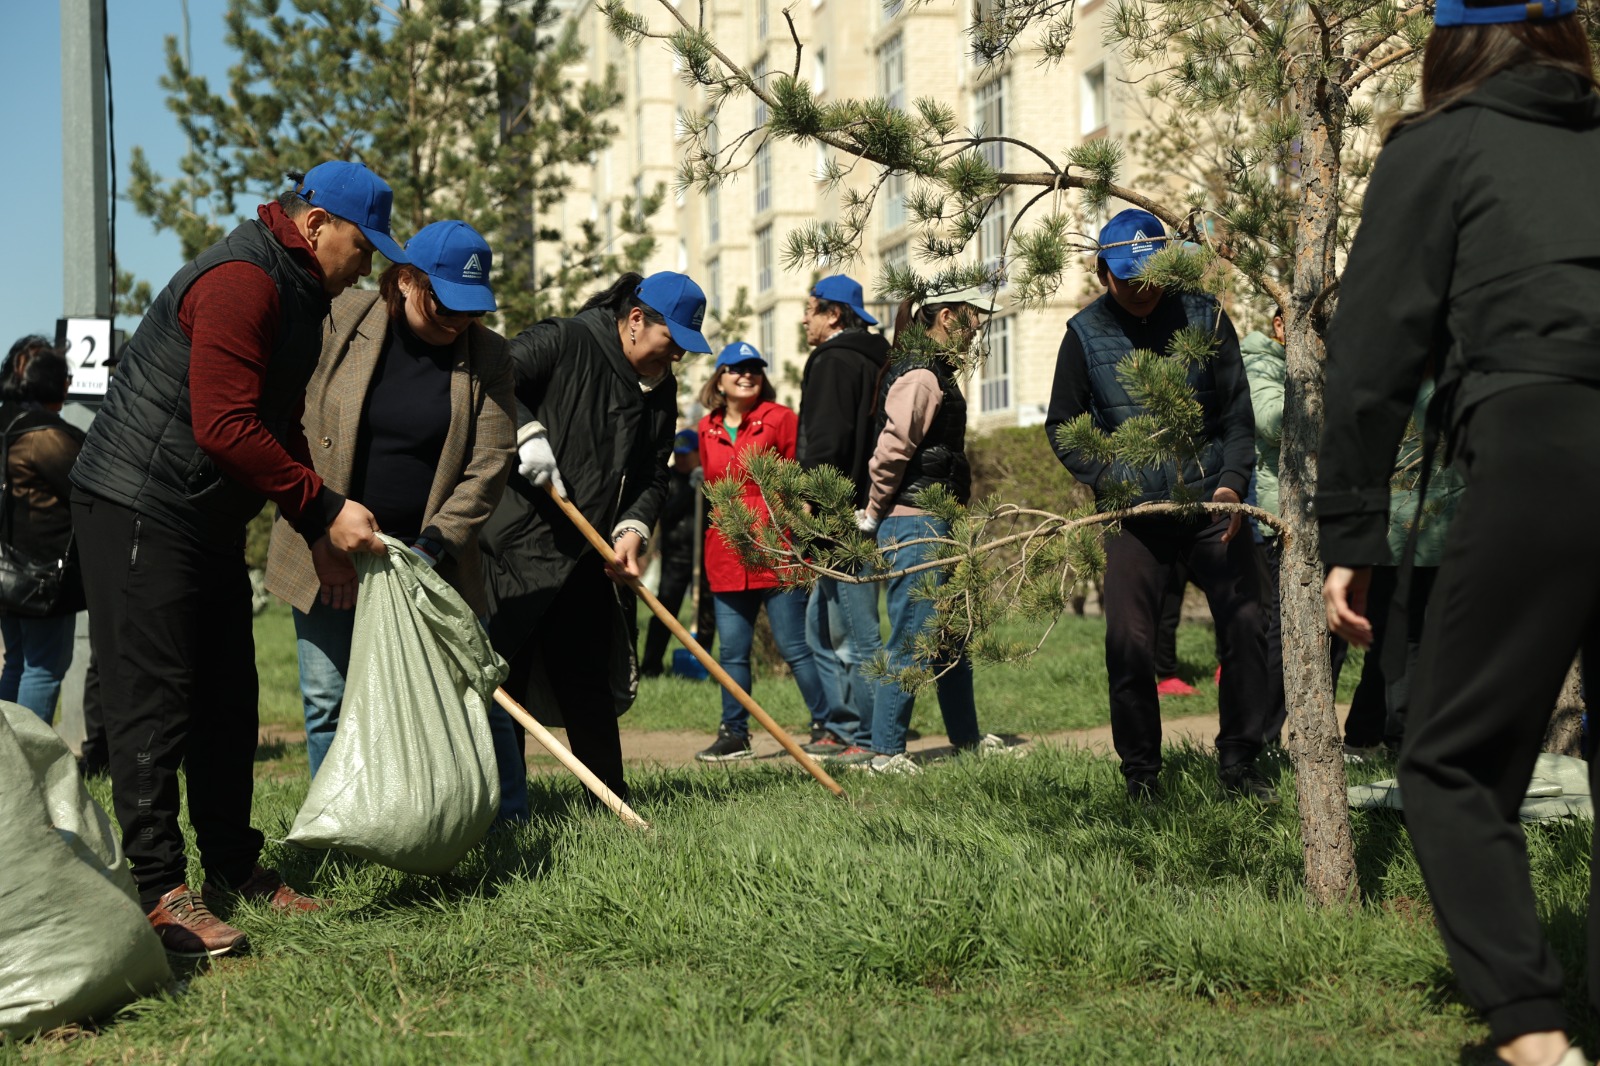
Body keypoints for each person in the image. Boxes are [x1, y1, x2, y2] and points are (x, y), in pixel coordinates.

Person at [1317, 13, 1597, 1064]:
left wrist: (1350, 530)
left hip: (1544, 444)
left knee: (1453, 763)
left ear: (1452, 47)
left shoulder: (1439, 146)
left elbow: (1370, 350)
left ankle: (1533, 1037)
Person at [70, 160, 402, 957]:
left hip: (201, 516)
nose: (371, 264)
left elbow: (276, 424)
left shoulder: (299, 293)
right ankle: (158, 892)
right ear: (317, 223)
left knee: (228, 698)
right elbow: (222, 426)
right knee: (155, 701)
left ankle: (231, 867)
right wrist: (323, 505)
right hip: (138, 503)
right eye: (364, 245)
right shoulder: (242, 281)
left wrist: (315, 519)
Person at [263, 220, 519, 809]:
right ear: (405, 280)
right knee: (330, 698)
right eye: (445, 303)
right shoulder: (338, 320)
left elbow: (490, 461)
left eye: (470, 308)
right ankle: (345, 822)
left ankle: (497, 820)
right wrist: (319, 528)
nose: (458, 321)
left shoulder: (489, 355)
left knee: (471, 689)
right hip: (328, 548)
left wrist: (435, 544)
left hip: (431, 558)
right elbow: (289, 423)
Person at [1045, 208, 1273, 804]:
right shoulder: (1084, 334)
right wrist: (1115, 480)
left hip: (1211, 507)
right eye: (1128, 277)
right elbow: (1063, 426)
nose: (1142, 289)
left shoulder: (1205, 318)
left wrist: (1232, 484)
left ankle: (1242, 763)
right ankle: (1142, 776)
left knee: (1248, 625)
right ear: (1103, 273)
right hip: (1136, 519)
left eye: (1152, 274)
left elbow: (1237, 417)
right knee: (1129, 643)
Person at [481, 271, 708, 803]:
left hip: (585, 553)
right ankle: (504, 808)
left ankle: (607, 798)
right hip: (511, 546)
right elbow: (490, 379)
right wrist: (526, 431)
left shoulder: (658, 387)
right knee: (504, 682)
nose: (674, 357)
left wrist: (632, 527)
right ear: (634, 320)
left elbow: (654, 472)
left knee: (586, 681)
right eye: (669, 342)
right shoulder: (564, 340)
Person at [854, 288, 1002, 773]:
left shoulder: (936, 371)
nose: (978, 326)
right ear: (945, 315)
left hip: (938, 519)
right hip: (914, 521)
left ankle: (967, 741)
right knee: (915, 637)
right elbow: (891, 451)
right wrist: (874, 514)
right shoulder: (921, 375)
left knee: (950, 638)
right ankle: (886, 753)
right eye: (972, 317)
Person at [693, 342, 830, 761]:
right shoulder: (705, 428)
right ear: (720, 378)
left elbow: (800, 478)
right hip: (727, 553)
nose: (746, 374)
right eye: (736, 368)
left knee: (796, 648)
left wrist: (795, 526)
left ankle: (828, 728)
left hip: (777, 549)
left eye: (754, 368)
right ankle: (734, 733)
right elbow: (715, 492)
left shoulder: (781, 418)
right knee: (732, 653)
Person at [795, 274, 891, 756]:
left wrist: (813, 498)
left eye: (810, 308)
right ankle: (845, 727)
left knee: (853, 632)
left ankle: (871, 735)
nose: (803, 318)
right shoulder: (871, 358)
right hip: (855, 509)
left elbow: (827, 437)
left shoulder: (835, 360)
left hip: (840, 514)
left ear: (833, 314)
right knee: (821, 628)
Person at [0, 347, 84, 723]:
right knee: (43, 669)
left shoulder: (6, 424)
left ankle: (8, 766)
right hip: (41, 576)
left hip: (8, 572)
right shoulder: (44, 435)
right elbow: (86, 487)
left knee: (17, 663)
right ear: (52, 383)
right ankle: (28, 770)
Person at [639, 428, 704, 678]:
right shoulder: (668, 479)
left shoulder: (709, 479)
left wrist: (703, 485)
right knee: (665, 612)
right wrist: (690, 489)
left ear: (699, 454)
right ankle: (651, 666)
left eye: (688, 454)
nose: (683, 459)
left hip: (704, 559)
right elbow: (665, 514)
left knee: (705, 614)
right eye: (679, 454)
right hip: (675, 556)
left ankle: (702, 665)